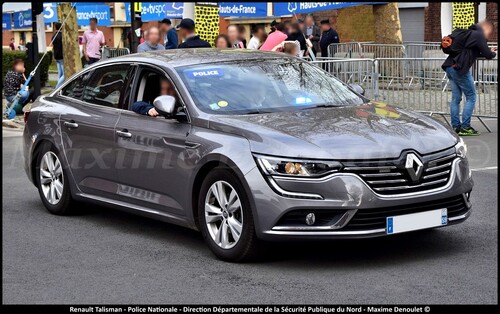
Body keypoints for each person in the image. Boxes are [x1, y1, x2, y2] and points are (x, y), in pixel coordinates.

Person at [442, 20, 497, 136]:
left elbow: (473, 52)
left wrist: (487, 52)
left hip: (450, 67)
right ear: (486, 28)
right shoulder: (479, 35)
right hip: (460, 68)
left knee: (456, 98)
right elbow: (487, 54)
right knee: (471, 96)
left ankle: (456, 127)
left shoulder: (468, 34)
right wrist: (492, 53)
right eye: (490, 32)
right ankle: (465, 127)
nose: (489, 35)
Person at [52, 22, 64, 89]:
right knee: (64, 74)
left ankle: (59, 87)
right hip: (61, 56)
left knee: (60, 73)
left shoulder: (54, 36)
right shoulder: (62, 36)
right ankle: (57, 87)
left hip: (56, 56)